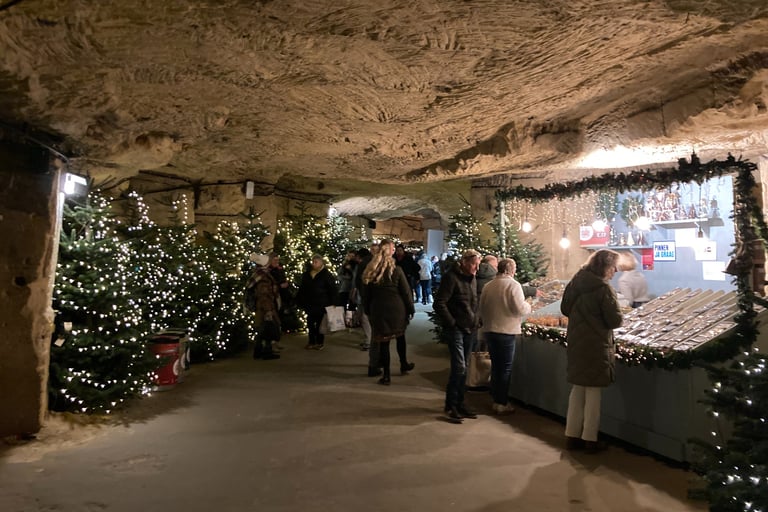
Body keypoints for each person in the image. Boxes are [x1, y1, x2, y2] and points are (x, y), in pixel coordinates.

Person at [560, 249, 623, 453]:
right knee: (594, 392)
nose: (615, 271)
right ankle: (590, 438)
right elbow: (615, 320)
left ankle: (572, 435)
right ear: (605, 267)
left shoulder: (575, 283)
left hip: (577, 343)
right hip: (596, 345)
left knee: (578, 389)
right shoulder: (603, 289)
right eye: (613, 266)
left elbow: (564, 309)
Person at [433, 249, 482, 423]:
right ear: (464, 262)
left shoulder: (472, 278)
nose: (477, 268)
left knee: (465, 367)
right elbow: (440, 302)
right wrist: (452, 323)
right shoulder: (451, 277)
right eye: (474, 264)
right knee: (459, 366)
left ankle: (459, 402)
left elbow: (473, 301)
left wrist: (476, 320)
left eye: (478, 264)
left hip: (470, 328)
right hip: (456, 329)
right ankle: (452, 403)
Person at [478, 258, 531, 414]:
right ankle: (501, 402)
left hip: (490, 330)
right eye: (514, 268)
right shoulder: (513, 285)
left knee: (496, 366)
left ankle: (495, 399)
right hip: (506, 331)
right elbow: (520, 309)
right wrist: (529, 305)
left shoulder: (489, 285)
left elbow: (482, 306)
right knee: (505, 368)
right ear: (510, 270)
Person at [362, 239, 416, 385]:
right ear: (389, 252)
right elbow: (405, 292)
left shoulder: (371, 271)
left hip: (378, 310)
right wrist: (411, 308)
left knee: (384, 343)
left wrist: (367, 309)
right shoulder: (396, 270)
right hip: (396, 310)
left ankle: (386, 375)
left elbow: (366, 294)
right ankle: (403, 363)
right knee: (400, 337)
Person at [296, 254, 338, 350]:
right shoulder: (308, 274)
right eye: (313, 262)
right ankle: (311, 341)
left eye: (316, 262)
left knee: (320, 324)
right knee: (310, 323)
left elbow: (332, 289)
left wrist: (333, 302)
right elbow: (303, 288)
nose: (314, 264)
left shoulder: (326, 275)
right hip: (310, 303)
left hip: (321, 303)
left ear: (321, 262)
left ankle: (320, 342)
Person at [244, 253, 281, 360]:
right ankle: (266, 352)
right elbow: (264, 295)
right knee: (267, 329)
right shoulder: (263, 277)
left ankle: (258, 351)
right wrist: (268, 310)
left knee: (262, 330)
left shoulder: (258, 274)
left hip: (261, 306)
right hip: (265, 307)